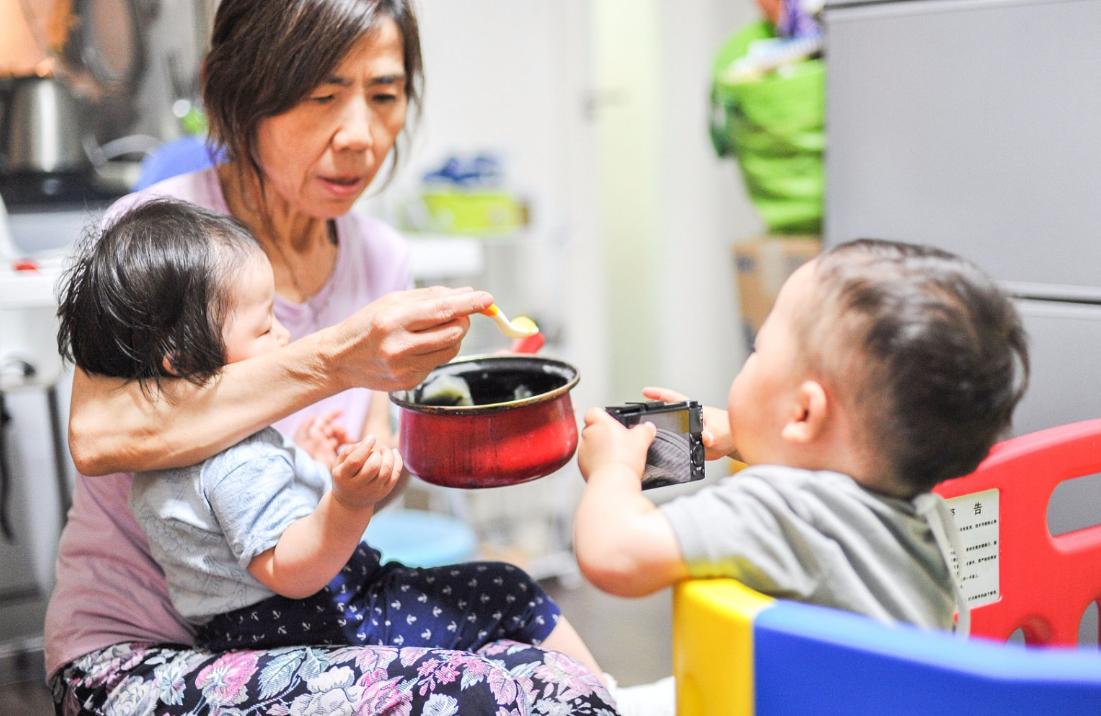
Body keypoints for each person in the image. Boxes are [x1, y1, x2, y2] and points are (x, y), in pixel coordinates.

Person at [45, 1, 616, 714]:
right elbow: (99, 438)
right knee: (501, 695)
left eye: (384, 96)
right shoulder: (162, 238)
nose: (359, 135)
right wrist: (337, 361)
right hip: (139, 652)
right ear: (242, 91)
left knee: (522, 631)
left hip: (312, 619)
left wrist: (456, 439)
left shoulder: (382, 256)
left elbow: (358, 488)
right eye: (321, 97)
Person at [57, 197, 606, 670]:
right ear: (179, 361)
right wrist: (346, 500)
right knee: (506, 592)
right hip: (304, 624)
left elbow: (241, 534)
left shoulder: (178, 452)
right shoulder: (234, 458)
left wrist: (309, 468)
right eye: (266, 325)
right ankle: (606, 695)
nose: (287, 332)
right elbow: (289, 570)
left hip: (249, 632)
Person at [573, 239, 1030, 711]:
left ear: (804, 412)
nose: (750, 356)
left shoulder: (776, 511)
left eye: (757, 348)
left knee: (516, 601)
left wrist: (614, 468)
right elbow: (834, 478)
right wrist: (744, 434)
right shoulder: (920, 506)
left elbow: (615, 553)